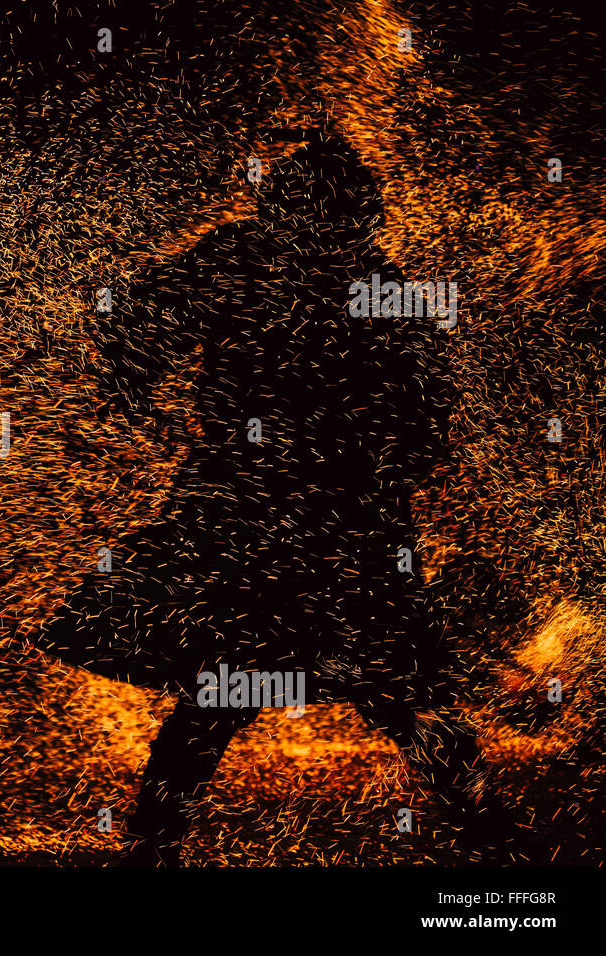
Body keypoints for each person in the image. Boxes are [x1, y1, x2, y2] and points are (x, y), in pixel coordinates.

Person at [38, 130, 510, 865]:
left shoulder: (327, 276)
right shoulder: (266, 265)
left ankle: (153, 843)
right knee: (325, 686)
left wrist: (135, 390)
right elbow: (138, 327)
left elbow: (426, 412)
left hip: (308, 515)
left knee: (362, 686)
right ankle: (153, 842)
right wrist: (135, 388)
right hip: (283, 515)